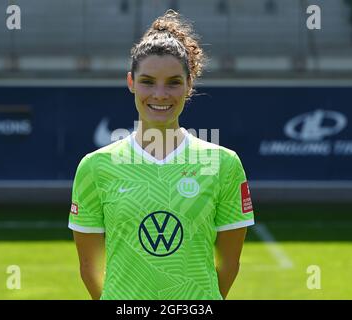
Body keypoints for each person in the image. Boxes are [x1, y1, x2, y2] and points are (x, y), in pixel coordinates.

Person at [69, 9, 255, 300]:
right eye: (147, 81)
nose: (159, 94)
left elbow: (229, 263)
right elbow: (88, 266)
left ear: (189, 85)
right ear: (131, 82)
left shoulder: (224, 164)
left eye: (173, 82)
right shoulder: (95, 166)